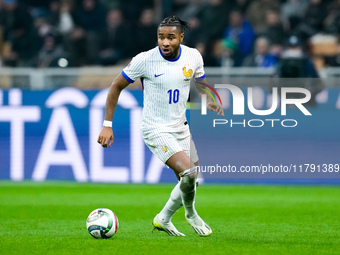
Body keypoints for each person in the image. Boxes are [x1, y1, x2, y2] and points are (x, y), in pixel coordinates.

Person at [97, 16, 224, 236]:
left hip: (181, 127)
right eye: (161, 37)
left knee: (191, 182)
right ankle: (191, 214)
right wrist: (107, 125)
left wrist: (208, 98)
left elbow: (200, 82)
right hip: (155, 128)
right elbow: (116, 87)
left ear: (181, 38)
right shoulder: (145, 60)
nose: (165, 42)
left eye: (170, 38)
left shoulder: (193, 56)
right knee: (189, 172)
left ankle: (163, 218)